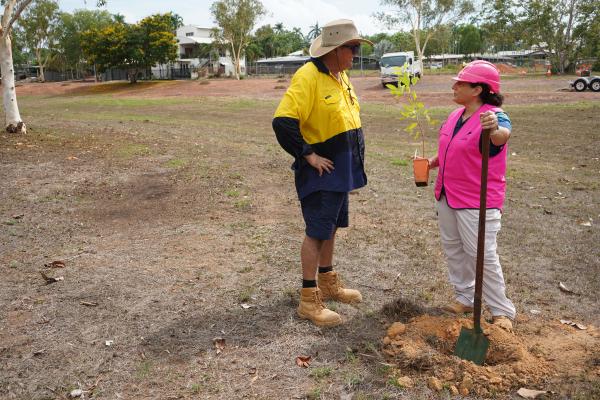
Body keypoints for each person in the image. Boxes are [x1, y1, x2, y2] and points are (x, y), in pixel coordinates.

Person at [272, 19, 372, 327]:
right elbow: (283, 122)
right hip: (321, 174)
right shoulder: (309, 76)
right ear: (335, 49)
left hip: (340, 173)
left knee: (331, 228)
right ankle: (308, 299)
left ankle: (328, 283)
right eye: (352, 49)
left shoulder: (340, 76)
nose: (355, 55)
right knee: (317, 232)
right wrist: (309, 155)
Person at [427, 60, 516, 332]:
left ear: (477, 89)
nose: (454, 86)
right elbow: (453, 145)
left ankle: (501, 311)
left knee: (482, 255)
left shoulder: (494, 115)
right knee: (454, 248)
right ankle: (465, 296)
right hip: (447, 194)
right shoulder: (457, 115)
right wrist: (435, 161)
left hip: (476, 200)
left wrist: (494, 129)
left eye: (460, 83)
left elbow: (501, 135)